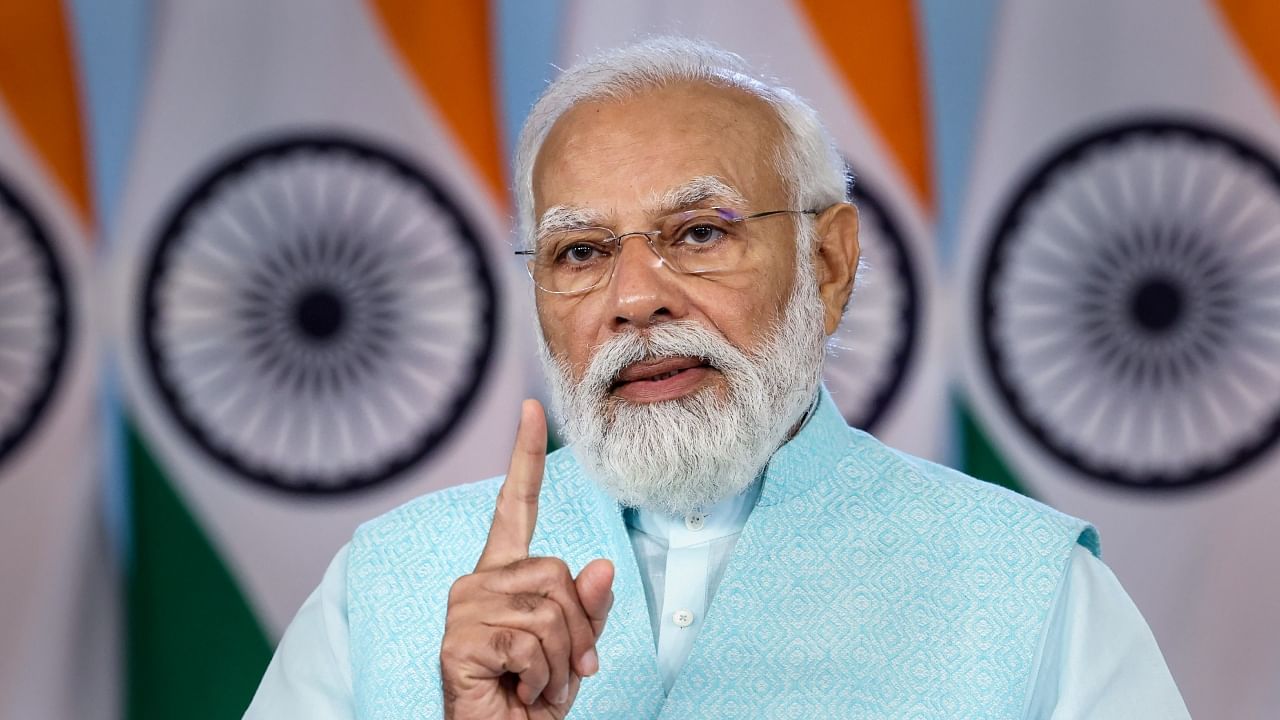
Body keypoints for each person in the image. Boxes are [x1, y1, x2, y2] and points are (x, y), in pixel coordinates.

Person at [245, 37, 1189, 719]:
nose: (635, 300)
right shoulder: (386, 583)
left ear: (827, 264)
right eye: (580, 251)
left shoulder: (1030, 586)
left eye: (700, 233)